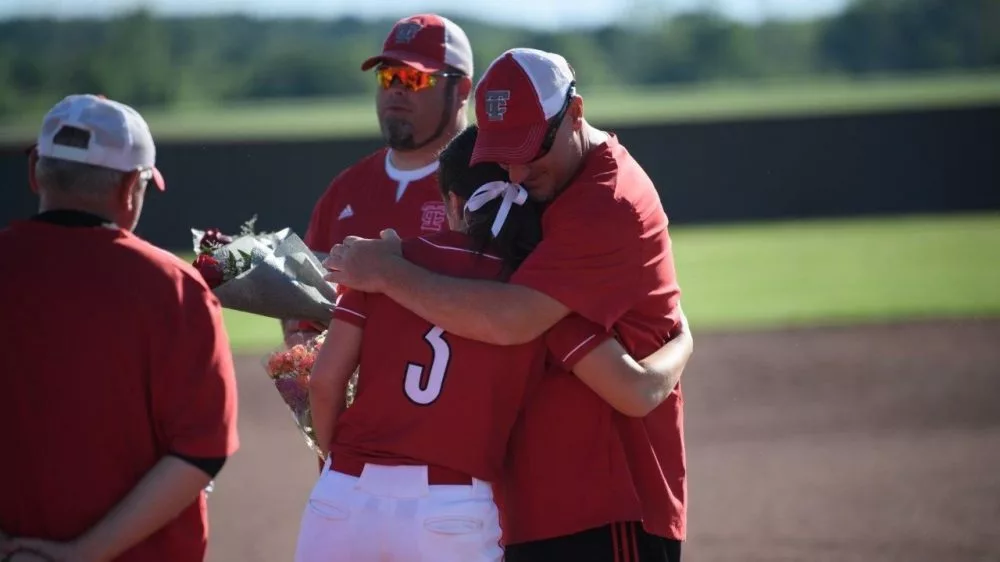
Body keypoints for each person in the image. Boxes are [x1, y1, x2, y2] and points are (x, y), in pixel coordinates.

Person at [323, 48, 689, 561]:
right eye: (503, 154)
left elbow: (516, 321)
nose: (517, 173)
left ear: (576, 113)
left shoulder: (605, 203)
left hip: (603, 505)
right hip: (515, 508)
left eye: (529, 149)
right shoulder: (505, 259)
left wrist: (386, 272)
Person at [0, 94, 240, 562]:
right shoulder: (172, 286)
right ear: (132, 186)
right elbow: (201, 453)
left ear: (35, 172)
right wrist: (78, 554)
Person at [281, 13, 475, 347]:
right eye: (387, 77)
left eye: (413, 78)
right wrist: (299, 338)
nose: (396, 90)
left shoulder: (489, 186)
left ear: (461, 89)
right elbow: (303, 309)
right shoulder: (346, 188)